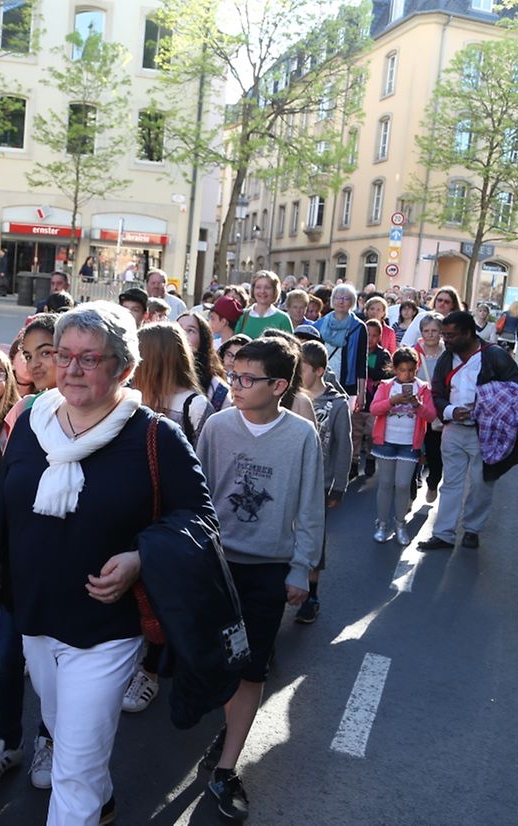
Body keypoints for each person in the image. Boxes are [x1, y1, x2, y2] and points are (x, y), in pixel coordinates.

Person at [0, 301, 216, 826]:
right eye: (64, 356)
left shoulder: (154, 436)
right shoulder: (33, 420)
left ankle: (84, 804)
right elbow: (6, 509)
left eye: (89, 359)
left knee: (73, 768)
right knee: (67, 735)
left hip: (106, 629)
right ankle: (100, 805)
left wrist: (140, 556)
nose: (72, 370)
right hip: (35, 617)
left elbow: (200, 519)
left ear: (124, 369)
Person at [195, 338, 324, 824]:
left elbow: (310, 508)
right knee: (215, 661)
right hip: (217, 565)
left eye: (248, 380)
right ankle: (228, 723)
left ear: (278, 386)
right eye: (234, 376)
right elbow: (198, 494)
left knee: (252, 667)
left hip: (270, 568)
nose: (237, 386)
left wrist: (301, 570)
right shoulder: (217, 425)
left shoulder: (301, 436)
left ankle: (226, 769)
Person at [0, 316, 57, 794]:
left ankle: (49, 737)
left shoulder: (98, 412)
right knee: (6, 655)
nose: (38, 362)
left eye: (49, 351)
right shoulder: (22, 410)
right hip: (17, 561)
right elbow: (4, 490)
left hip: (62, 566)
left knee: (52, 666)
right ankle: (8, 741)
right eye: (30, 353)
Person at [120, 321, 213, 714]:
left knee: (159, 600)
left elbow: (204, 471)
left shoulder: (194, 405)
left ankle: (151, 672)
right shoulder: (128, 398)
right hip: (129, 510)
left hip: (168, 520)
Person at [417, 311, 518, 551]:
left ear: (468, 333)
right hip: (453, 429)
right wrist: (450, 411)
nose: (447, 340)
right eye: (445, 335)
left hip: (485, 432)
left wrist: (485, 405)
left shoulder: (495, 356)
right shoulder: (447, 358)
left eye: (452, 335)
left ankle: (472, 530)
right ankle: (443, 533)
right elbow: (437, 392)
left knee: (480, 484)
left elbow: (517, 392)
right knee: (451, 483)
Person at [296, 341, 351, 625]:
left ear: (318, 371)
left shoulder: (337, 404)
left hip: (320, 482)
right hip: (292, 479)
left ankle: (311, 594)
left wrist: (339, 485)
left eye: (301, 366)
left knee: (314, 538)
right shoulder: (289, 398)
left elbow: (343, 447)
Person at [367, 347, 437, 545]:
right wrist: (392, 401)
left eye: (411, 370)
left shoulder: (423, 388)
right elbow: (374, 409)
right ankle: (382, 524)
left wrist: (418, 405)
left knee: (404, 485)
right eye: (403, 370)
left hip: (409, 444)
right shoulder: (386, 386)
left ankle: (400, 524)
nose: (407, 375)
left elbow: (431, 415)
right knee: (386, 484)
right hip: (386, 442)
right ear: (395, 369)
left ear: (416, 369)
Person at [350, 320, 393, 480]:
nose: (370, 339)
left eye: (375, 336)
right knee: (355, 433)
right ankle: (353, 463)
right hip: (357, 400)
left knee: (371, 433)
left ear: (380, 337)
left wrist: (370, 374)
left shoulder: (382, 354)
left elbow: (386, 374)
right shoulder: (356, 351)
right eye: (368, 335)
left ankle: (370, 457)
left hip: (374, 402)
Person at [314, 283, 368, 402]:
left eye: (346, 298)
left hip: (346, 385)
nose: (341, 301)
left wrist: (361, 392)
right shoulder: (319, 325)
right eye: (338, 298)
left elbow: (362, 362)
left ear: (352, 302)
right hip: (320, 382)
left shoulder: (358, 327)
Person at [414, 313, 447, 504]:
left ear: (441, 332)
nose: (430, 335)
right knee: (413, 449)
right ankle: (411, 487)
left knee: (435, 452)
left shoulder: (448, 354)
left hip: (438, 410)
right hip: (416, 410)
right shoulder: (414, 352)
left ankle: (433, 482)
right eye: (426, 331)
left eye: (434, 330)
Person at [177, 311, 231, 412]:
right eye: (178, 329)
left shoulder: (217, 390)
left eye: (190, 330)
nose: (182, 335)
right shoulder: (159, 377)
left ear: (203, 340)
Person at [235, 271, 293, 337]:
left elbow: (291, 346)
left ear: (274, 291)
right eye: (258, 287)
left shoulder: (283, 319)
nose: (262, 291)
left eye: (267, 288)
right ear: (253, 290)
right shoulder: (242, 316)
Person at [9, 333, 36, 398]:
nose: (33, 363)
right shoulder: (0, 388)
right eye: (27, 357)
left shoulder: (46, 395)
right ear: (12, 362)